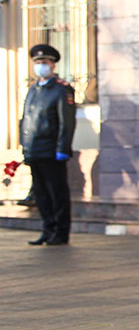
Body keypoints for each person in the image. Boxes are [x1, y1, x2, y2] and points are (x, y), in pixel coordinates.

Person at [20, 44, 75, 246]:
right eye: (37, 63)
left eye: (44, 63)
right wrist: (24, 146)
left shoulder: (61, 89)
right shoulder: (33, 89)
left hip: (52, 151)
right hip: (34, 151)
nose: (41, 66)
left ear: (52, 65)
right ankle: (47, 229)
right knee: (41, 194)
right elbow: (25, 120)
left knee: (56, 193)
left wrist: (62, 148)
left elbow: (66, 123)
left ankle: (61, 232)